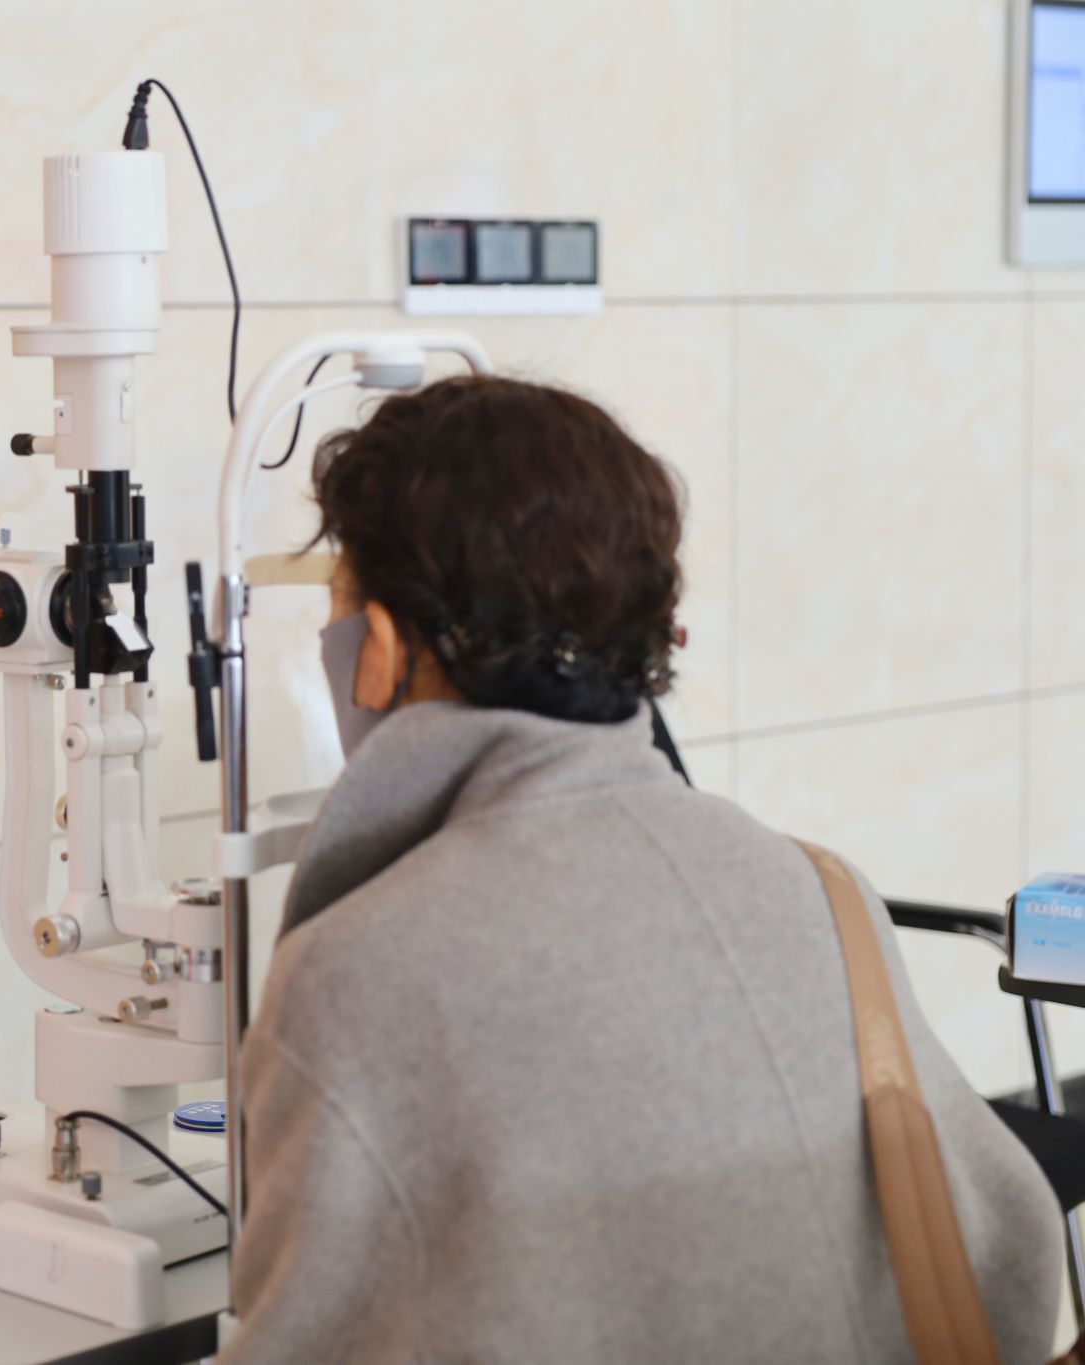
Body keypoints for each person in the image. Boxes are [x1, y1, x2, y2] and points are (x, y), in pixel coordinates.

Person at [225, 376, 1063, 1363]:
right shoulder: (816, 892)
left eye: (337, 604)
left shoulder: (353, 976)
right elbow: (1011, 1254)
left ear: (375, 649)